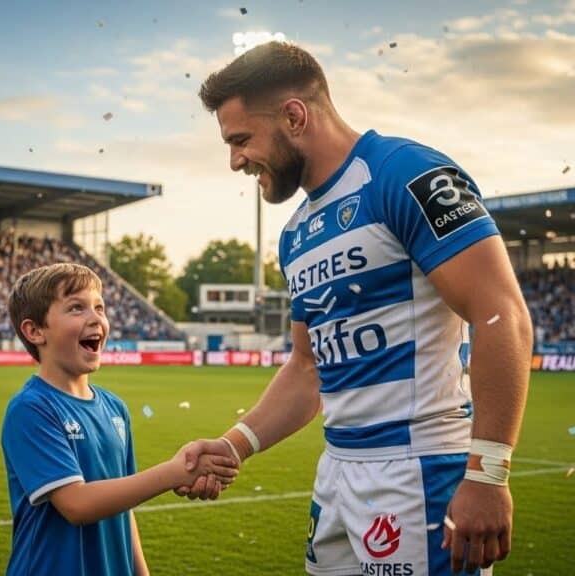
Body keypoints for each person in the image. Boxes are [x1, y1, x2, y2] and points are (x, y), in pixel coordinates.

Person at [181, 42, 532, 575]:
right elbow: (306, 368)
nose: (235, 161)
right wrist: (234, 445)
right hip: (338, 474)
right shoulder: (296, 233)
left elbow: (500, 313)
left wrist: (488, 473)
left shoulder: (405, 174)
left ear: (294, 116)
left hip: (420, 470)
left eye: (240, 140)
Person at [1, 263, 237, 575]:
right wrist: (177, 472)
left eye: (99, 307)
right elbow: (77, 505)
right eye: (76, 308)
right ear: (35, 331)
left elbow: (123, 509)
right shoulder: (31, 409)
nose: (95, 318)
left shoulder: (115, 408)